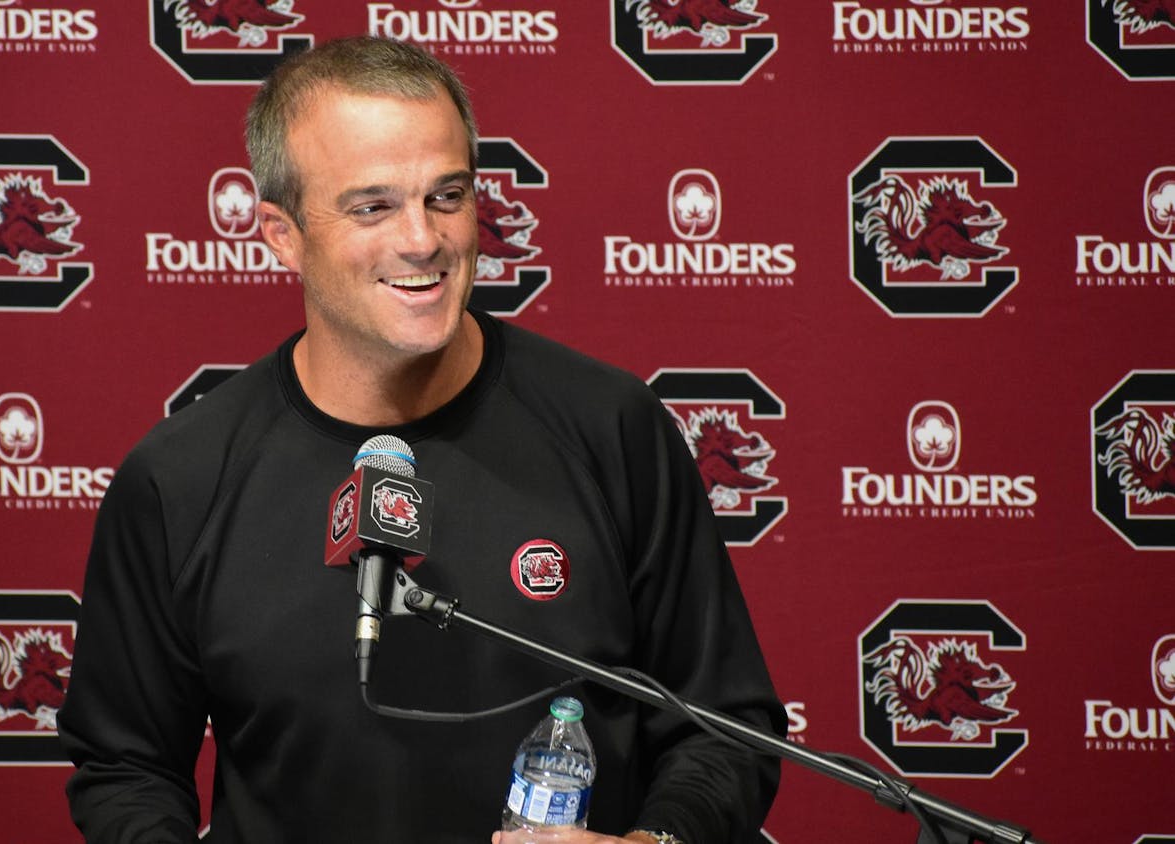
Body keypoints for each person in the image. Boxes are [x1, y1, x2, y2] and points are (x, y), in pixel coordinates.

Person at [58, 36, 783, 844]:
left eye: (447, 196)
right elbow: (125, 768)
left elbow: (725, 726)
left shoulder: (611, 426)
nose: (424, 241)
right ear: (280, 233)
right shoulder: (179, 479)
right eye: (372, 206)